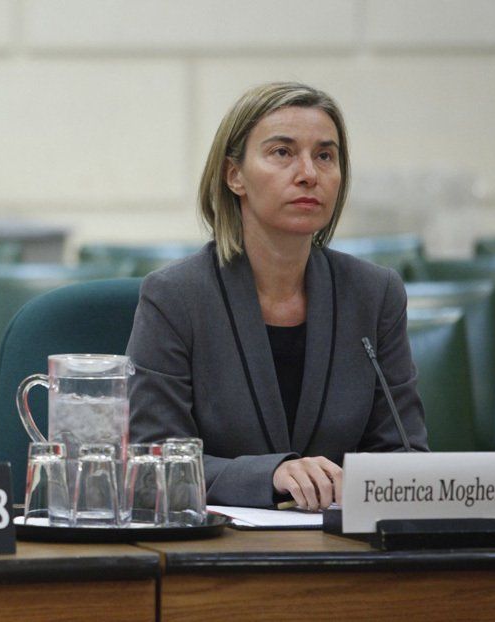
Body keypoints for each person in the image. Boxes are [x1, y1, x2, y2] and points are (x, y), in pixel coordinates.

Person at [127, 82, 428, 511]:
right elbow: (151, 465)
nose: (309, 173)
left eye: (325, 155)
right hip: (224, 552)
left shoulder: (374, 293)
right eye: (283, 152)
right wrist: (270, 475)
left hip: (346, 549)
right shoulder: (176, 297)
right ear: (235, 175)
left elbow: (405, 454)